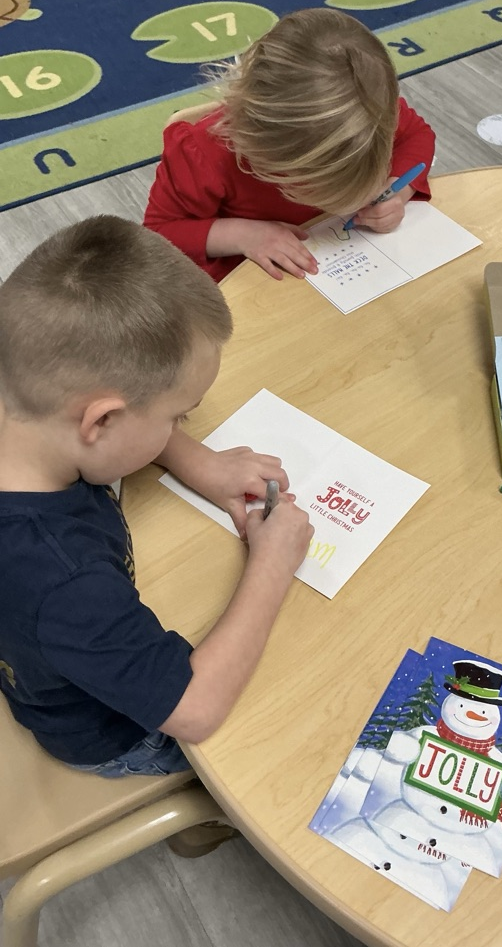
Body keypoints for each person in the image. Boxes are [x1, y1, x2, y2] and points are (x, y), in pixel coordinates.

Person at [0, 216, 313, 777]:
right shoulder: (62, 579)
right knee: (282, 720)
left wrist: (199, 460)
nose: (182, 425)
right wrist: (271, 564)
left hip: (57, 641)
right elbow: (193, 712)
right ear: (101, 420)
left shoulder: (24, 385)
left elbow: (110, 425)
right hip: (112, 732)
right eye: (178, 414)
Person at [144, 8, 436, 283]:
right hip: (251, 289)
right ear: (260, 150)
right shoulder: (204, 153)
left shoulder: (365, 116)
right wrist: (242, 235)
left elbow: (418, 136)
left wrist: (397, 191)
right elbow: (158, 234)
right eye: (309, 187)